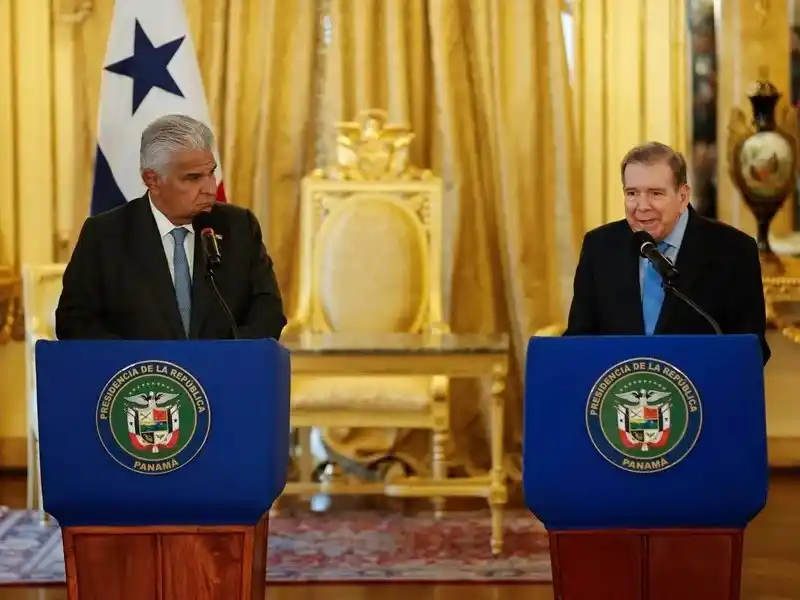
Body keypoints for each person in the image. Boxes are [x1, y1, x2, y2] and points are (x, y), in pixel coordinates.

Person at [56, 114, 287, 341]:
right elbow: (74, 322)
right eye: (193, 178)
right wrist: (137, 362)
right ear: (152, 180)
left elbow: (268, 311)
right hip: (143, 377)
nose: (210, 188)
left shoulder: (239, 228)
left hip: (221, 375)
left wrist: (226, 358)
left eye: (211, 173)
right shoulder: (105, 235)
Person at [564, 141, 770, 365]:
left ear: (683, 196)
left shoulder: (734, 251)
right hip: (621, 395)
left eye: (655, 193)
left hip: (700, 395)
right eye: (632, 193)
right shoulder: (600, 247)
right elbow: (579, 340)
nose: (642, 206)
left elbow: (751, 348)